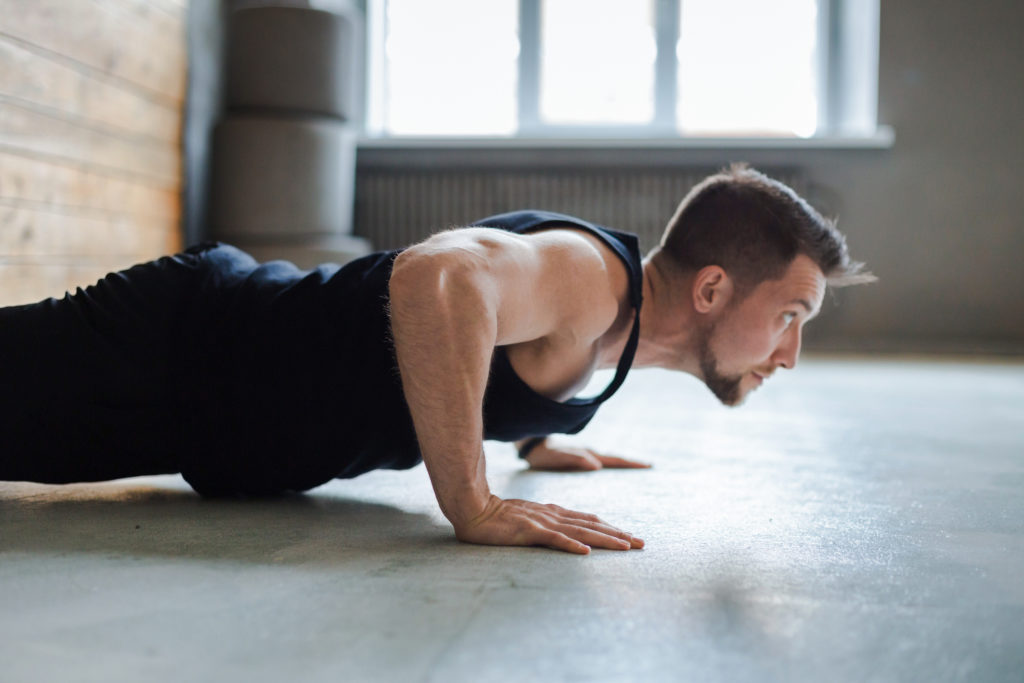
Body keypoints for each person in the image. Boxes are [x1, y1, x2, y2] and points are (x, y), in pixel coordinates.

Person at [0, 164, 874, 554]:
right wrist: (473, 502)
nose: (792, 353)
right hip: (183, 345)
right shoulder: (589, 277)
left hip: (199, 423)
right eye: (791, 314)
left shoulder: (618, 333)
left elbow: (510, 351)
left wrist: (536, 439)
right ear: (714, 290)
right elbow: (436, 279)